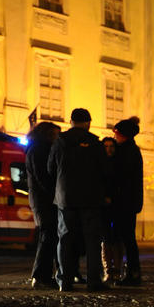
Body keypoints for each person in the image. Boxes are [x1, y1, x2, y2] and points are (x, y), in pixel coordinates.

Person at [47, 108, 110, 292]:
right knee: (92, 241)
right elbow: (106, 171)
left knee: (65, 239)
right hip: (91, 199)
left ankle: (64, 281)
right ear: (88, 122)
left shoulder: (60, 142)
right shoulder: (95, 143)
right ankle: (93, 281)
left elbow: (50, 168)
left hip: (65, 198)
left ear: (71, 121)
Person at [26, 121, 61, 289]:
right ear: (45, 134)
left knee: (48, 237)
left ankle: (43, 275)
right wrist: (55, 193)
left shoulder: (41, 148)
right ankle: (40, 276)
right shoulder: (38, 150)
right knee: (47, 237)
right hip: (43, 201)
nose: (56, 138)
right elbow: (42, 177)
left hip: (45, 199)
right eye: (53, 135)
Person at [111, 117, 143, 285]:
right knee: (127, 238)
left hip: (125, 203)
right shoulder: (130, 149)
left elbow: (123, 178)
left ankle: (133, 273)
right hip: (128, 202)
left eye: (116, 133)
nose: (115, 136)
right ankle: (131, 272)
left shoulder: (127, 151)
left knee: (127, 238)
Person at [100, 137, 121, 283]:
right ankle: (107, 270)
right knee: (106, 239)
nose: (109, 149)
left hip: (118, 205)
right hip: (102, 205)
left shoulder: (119, 163)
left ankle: (118, 270)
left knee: (117, 238)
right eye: (106, 146)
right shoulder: (98, 163)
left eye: (111, 146)